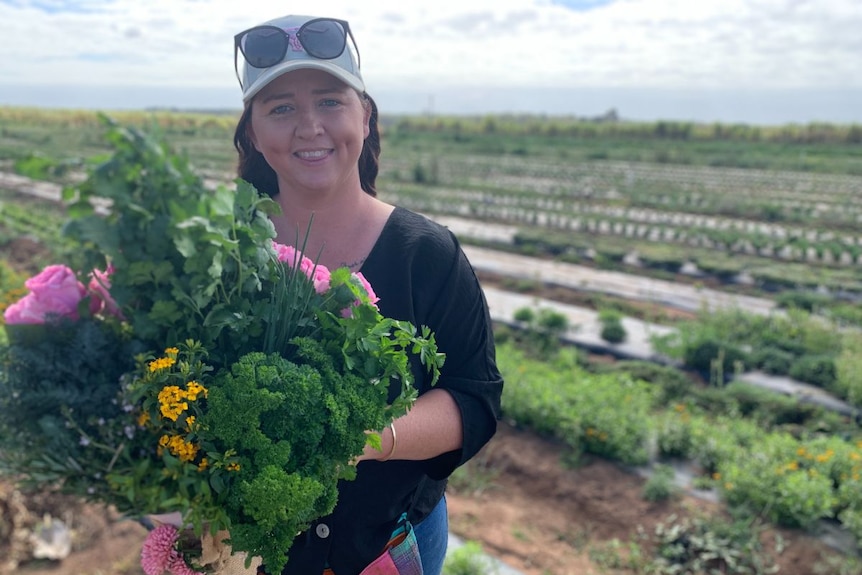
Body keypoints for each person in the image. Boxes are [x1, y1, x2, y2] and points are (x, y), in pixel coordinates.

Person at [231, 14, 504, 575]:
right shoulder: (225, 259)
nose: (309, 126)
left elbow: (474, 400)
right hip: (254, 550)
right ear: (254, 134)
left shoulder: (426, 255)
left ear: (365, 114)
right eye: (280, 107)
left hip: (388, 546)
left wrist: (366, 439)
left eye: (330, 101)